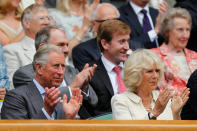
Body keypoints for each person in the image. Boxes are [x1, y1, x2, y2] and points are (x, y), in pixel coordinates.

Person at [13, 25, 98, 119]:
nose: (66, 50)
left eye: (67, 45)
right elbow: (41, 102)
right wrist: (74, 86)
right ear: (43, 47)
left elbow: (94, 102)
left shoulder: (71, 70)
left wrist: (85, 87)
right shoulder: (24, 74)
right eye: (61, 45)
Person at [1, 45, 84, 119]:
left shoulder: (63, 97)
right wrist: (46, 111)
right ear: (39, 68)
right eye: (56, 66)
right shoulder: (15, 97)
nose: (61, 72)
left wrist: (69, 118)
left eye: (63, 67)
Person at [111, 49, 190, 120]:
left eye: (157, 71)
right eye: (149, 71)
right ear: (135, 74)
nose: (155, 76)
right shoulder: (121, 100)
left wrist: (176, 114)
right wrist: (154, 113)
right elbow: (126, 129)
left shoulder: (162, 97)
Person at [72, 3, 140, 71]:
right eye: (107, 21)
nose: (113, 25)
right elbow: (94, 78)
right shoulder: (83, 51)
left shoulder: (136, 46)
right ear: (94, 24)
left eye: (115, 20)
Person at [87, 19, 130, 117]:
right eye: (122, 41)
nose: (127, 47)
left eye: (127, 41)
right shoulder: (91, 73)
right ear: (105, 44)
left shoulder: (136, 66)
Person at [3, 4, 51, 89]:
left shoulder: (56, 48)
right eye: (42, 18)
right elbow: (12, 85)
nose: (47, 22)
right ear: (27, 23)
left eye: (48, 18)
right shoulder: (11, 50)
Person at [152, 8, 197, 92]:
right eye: (180, 30)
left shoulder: (195, 55)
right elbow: (159, 90)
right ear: (167, 31)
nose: (185, 35)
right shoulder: (154, 55)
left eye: (187, 30)